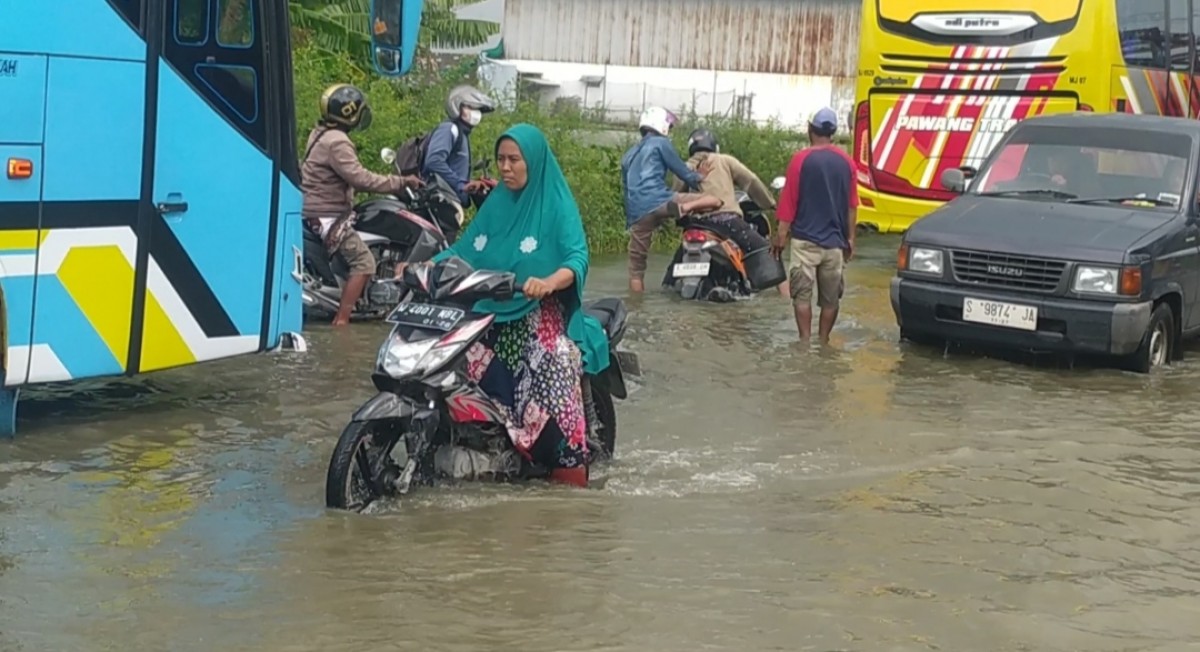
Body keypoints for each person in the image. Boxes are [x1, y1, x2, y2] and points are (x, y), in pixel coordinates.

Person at [426, 124, 610, 488]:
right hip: (488, 312)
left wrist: (548, 283)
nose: (505, 168)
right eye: (500, 160)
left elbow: (576, 258)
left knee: (553, 365)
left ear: (534, 161)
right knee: (446, 361)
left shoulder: (556, 204)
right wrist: (428, 264)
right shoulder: (496, 204)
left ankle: (568, 469)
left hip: (537, 315)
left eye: (514, 160)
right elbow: (464, 250)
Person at [301, 83, 422, 327]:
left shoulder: (321, 133)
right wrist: (400, 182)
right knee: (364, 263)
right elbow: (360, 178)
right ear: (351, 113)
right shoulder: (338, 142)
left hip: (315, 209)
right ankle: (342, 322)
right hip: (326, 214)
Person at [773, 107, 857, 342]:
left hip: (805, 242)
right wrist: (851, 239)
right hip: (835, 245)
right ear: (833, 132)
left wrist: (780, 236)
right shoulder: (847, 163)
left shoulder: (800, 159)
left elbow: (789, 202)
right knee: (831, 299)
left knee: (801, 296)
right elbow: (852, 205)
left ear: (810, 129)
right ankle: (823, 341)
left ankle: (804, 342)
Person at [663, 128, 781, 292]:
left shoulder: (685, 167)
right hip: (726, 221)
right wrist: (770, 203)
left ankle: (668, 285)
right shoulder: (725, 160)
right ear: (714, 146)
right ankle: (784, 298)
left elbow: (675, 195)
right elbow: (750, 181)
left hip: (695, 225)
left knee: (674, 267)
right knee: (767, 251)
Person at [621, 106, 723, 293]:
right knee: (714, 200)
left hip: (638, 213)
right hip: (662, 200)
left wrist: (632, 218)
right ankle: (686, 208)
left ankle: (634, 311)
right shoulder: (661, 143)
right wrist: (699, 176)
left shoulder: (628, 155)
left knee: (636, 271)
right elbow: (682, 172)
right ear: (661, 125)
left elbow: (626, 189)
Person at [421, 85, 496, 207]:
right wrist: (460, 184)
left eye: (478, 110)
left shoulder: (462, 134)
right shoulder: (449, 129)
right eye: (470, 107)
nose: (476, 113)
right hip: (438, 201)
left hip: (449, 203)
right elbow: (434, 160)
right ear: (457, 107)